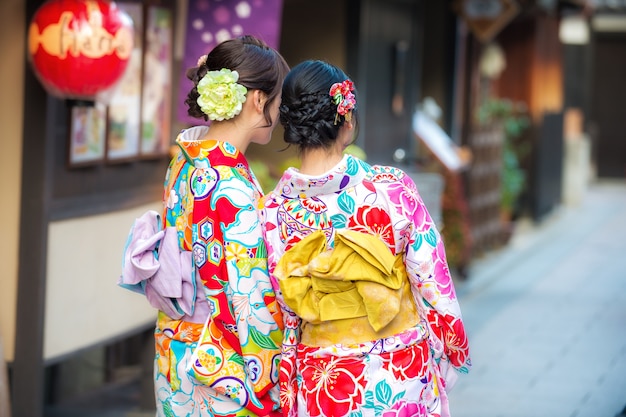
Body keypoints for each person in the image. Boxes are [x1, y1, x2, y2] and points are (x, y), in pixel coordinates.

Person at [259, 60, 471, 417]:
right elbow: (432, 281)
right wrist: (451, 350)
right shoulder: (391, 188)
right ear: (346, 121)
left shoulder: (272, 211)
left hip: (322, 379)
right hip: (400, 369)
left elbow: (281, 306)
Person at [119, 35, 290, 417]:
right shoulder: (229, 184)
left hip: (174, 351)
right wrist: (277, 377)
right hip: (219, 368)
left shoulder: (185, 157)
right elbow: (251, 295)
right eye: (277, 102)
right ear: (258, 100)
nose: (278, 116)